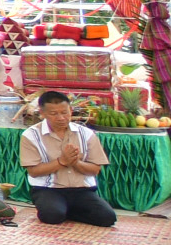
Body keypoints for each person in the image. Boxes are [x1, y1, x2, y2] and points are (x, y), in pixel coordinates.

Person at [22, 90, 116, 228]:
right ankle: (58, 209)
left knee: (107, 218)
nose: (61, 118)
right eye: (53, 114)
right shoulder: (30, 135)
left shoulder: (86, 134)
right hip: (48, 189)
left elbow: (95, 170)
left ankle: (67, 210)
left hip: (81, 190)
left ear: (71, 110)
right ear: (42, 113)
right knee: (52, 216)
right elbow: (33, 171)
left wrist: (76, 163)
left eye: (64, 112)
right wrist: (62, 162)